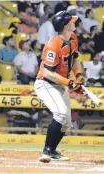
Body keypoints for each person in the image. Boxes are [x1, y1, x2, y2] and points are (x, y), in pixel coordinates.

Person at [34, 11, 83, 163]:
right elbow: (48, 73)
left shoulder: (73, 38)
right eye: (72, 22)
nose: (74, 23)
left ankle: (53, 150)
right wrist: (70, 83)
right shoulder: (52, 45)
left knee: (67, 121)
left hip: (60, 84)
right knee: (61, 114)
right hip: (46, 83)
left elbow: (74, 60)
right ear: (66, 26)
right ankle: (46, 151)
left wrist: (79, 76)